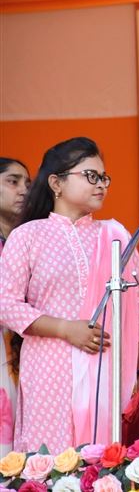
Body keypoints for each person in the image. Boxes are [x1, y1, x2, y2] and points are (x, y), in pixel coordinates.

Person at [0, 138, 139, 452]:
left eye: (104, 178)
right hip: (49, 369)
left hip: (109, 370)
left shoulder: (115, 236)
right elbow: (6, 305)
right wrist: (65, 329)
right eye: (90, 176)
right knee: (51, 463)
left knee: (104, 463)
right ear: (56, 183)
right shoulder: (28, 236)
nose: (101, 184)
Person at [0, 158, 30, 456]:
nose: (23, 190)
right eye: (13, 181)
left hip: (25, 359)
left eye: (27, 184)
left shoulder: (28, 240)